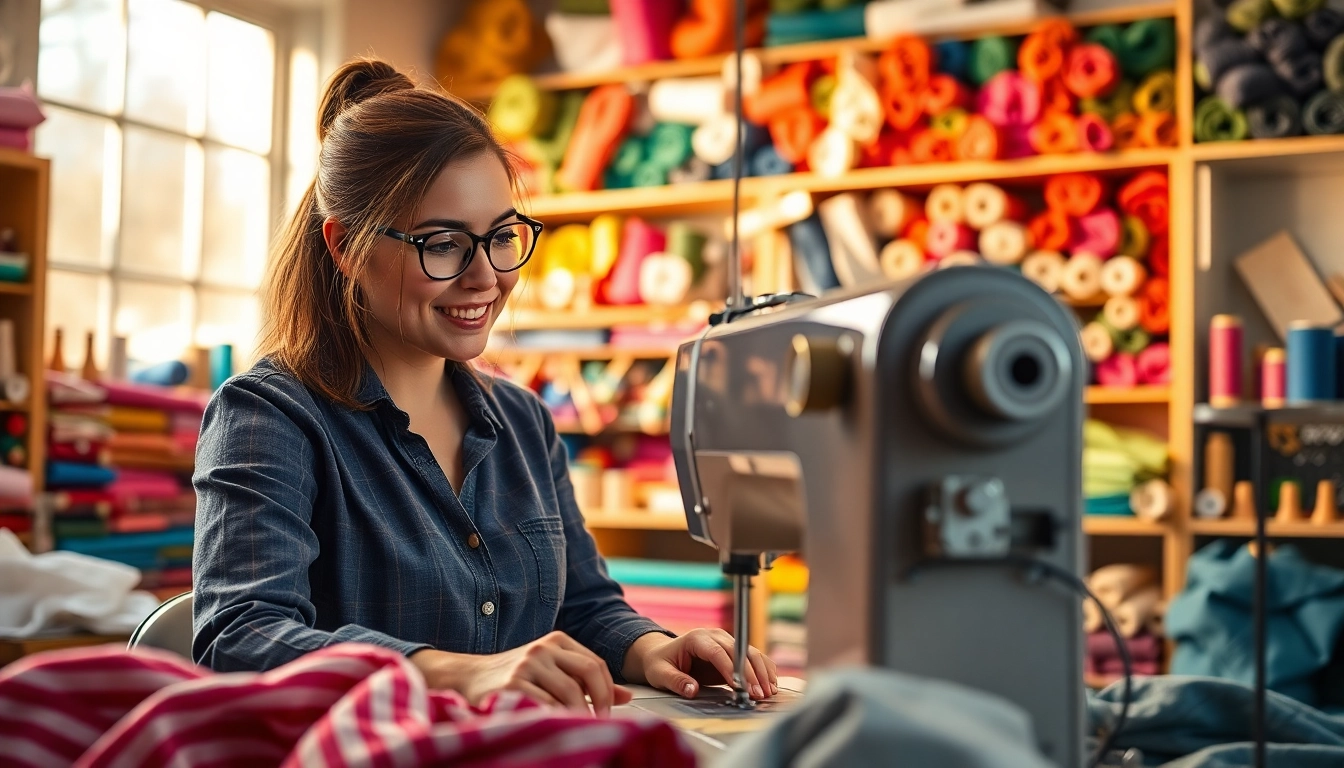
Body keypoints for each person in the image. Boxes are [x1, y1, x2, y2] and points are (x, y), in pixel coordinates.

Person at [190, 58, 777, 715]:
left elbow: (582, 603)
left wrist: (651, 648)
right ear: (346, 246)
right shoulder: (271, 417)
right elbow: (239, 638)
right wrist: (455, 674)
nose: (485, 277)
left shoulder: (525, 423)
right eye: (443, 244)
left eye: (501, 237)